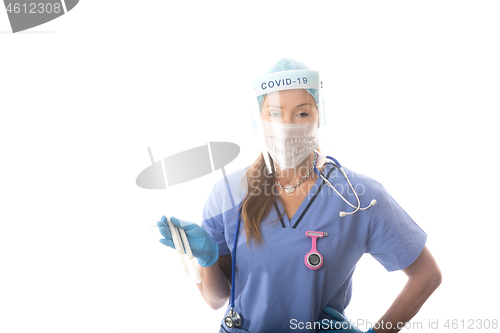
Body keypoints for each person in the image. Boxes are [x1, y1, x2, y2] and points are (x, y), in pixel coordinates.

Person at [157, 58, 442, 333]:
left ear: (320, 116)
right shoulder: (230, 193)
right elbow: (216, 299)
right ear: (259, 119)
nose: (288, 126)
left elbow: (426, 275)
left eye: (302, 113)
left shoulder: (359, 196)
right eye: (276, 113)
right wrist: (206, 261)